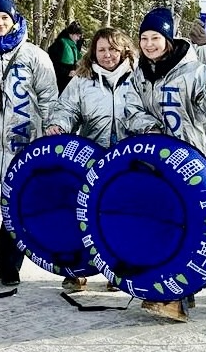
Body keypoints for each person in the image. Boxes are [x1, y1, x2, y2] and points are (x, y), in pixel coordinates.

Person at [122, 6, 206, 321]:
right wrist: (152, 130)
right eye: (144, 37)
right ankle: (165, 289)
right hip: (152, 164)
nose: (148, 43)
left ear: (168, 38)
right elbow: (130, 109)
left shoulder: (194, 71)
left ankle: (180, 296)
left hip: (189, 162)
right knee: (158, 224)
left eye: (155, 37)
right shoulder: (139, 75)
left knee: (187, 227)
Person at [0, 0, 58, 293]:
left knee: (13, 206)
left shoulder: (35, 55)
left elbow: (47, 97)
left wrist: (48, 132)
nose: (0, 23)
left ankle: (9, 266)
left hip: (22, 141)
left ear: (15, 20)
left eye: (6, 18)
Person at [44, 26, 137, 292]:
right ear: (93, 52)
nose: (107, 55)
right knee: (85, 215)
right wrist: (59, 125)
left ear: (123, 50)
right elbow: (66, 109)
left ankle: (117, 270)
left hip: (128, 163)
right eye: (102, 49)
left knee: (122, 216)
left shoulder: (139, 78)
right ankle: (78, 269)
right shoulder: (82, 80)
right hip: (92, 159)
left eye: (113, 49)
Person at [48, 20, 83, 93]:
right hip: (60, 82)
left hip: (70, 81)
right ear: (71, 34)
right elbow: (52, 64)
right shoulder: (59, 44)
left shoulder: (73, 45)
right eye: (77, 36)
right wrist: (67, 72)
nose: (78, 38)